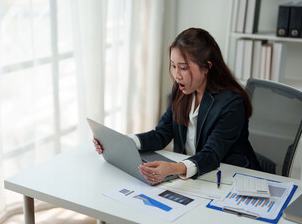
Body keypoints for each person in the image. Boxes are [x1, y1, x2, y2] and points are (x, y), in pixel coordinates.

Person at [93, 27, 260, 184]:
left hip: (230, 179)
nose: (177, 75)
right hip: (196, 176)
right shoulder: (181, 90)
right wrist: (123, 143)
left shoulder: (231, 103)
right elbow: (161, 134)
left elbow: (211, 155)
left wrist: (173, 168)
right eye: (173, 66)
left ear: (207, 67)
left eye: (183, 68)